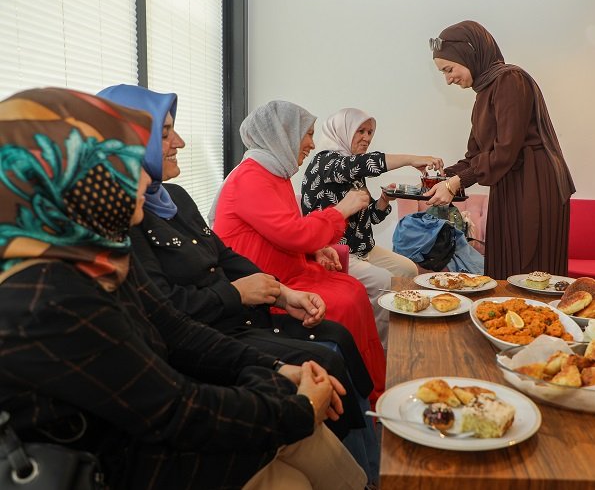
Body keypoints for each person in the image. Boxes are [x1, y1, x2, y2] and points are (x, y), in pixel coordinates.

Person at [0, 87, 366, 490]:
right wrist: (294, 407)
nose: (145, 171)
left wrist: (279, 372)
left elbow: (174, 328)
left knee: (305, 427)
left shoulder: (99, 253)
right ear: (70, 178)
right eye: (125, 161)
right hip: (123, 463)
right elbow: (173, 409)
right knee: (291, 470)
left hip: (158, 424)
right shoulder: (46, 297)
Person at [97, 85, 379, 483]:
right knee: (329, 349)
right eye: (164, 134)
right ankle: (366, 461)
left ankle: (370, 453)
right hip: (223, 324)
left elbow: (223, 257)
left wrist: (281, 291)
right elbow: (171, 339)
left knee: (337, 333)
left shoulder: (173, 196)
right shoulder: (124, 228)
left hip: (235, 314)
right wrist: (245, 298)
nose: (179, 141)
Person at [211, 100, 386, 404]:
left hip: (289, 271)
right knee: (344, 301)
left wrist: (317, 248)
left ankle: (368, 391)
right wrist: (340, 211)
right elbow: (291, 233)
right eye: (307, 134)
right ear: (283, 134)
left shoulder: (274, 174)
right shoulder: (251, 177)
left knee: (354, 290)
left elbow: (286, 227)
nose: (311, 143)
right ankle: (355, 397)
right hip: (266, 285)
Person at [425, 20, 576, 280]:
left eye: (448, 69)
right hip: (511, 183)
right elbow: (475, 157)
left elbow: (505, 150)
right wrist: (439, 177)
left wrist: (455, 183)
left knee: (530, 273)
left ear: (468, 54)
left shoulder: (509, 80)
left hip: (534, 185)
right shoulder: (484, 94)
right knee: (506, 270)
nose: (448, 80)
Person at [299, 107, 444, 346]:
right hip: (335, 251)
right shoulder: (327, 162)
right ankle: (380, 346)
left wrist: (384, 201)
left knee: (407, 270)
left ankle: (404, 332)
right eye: (361, 131)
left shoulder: (350, 169)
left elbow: (368, 220)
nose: (366, 137)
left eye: (370, 132)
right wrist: (411, 159)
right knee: (383, 281)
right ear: (342, 131)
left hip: (363, 248)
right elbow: (368, 163)